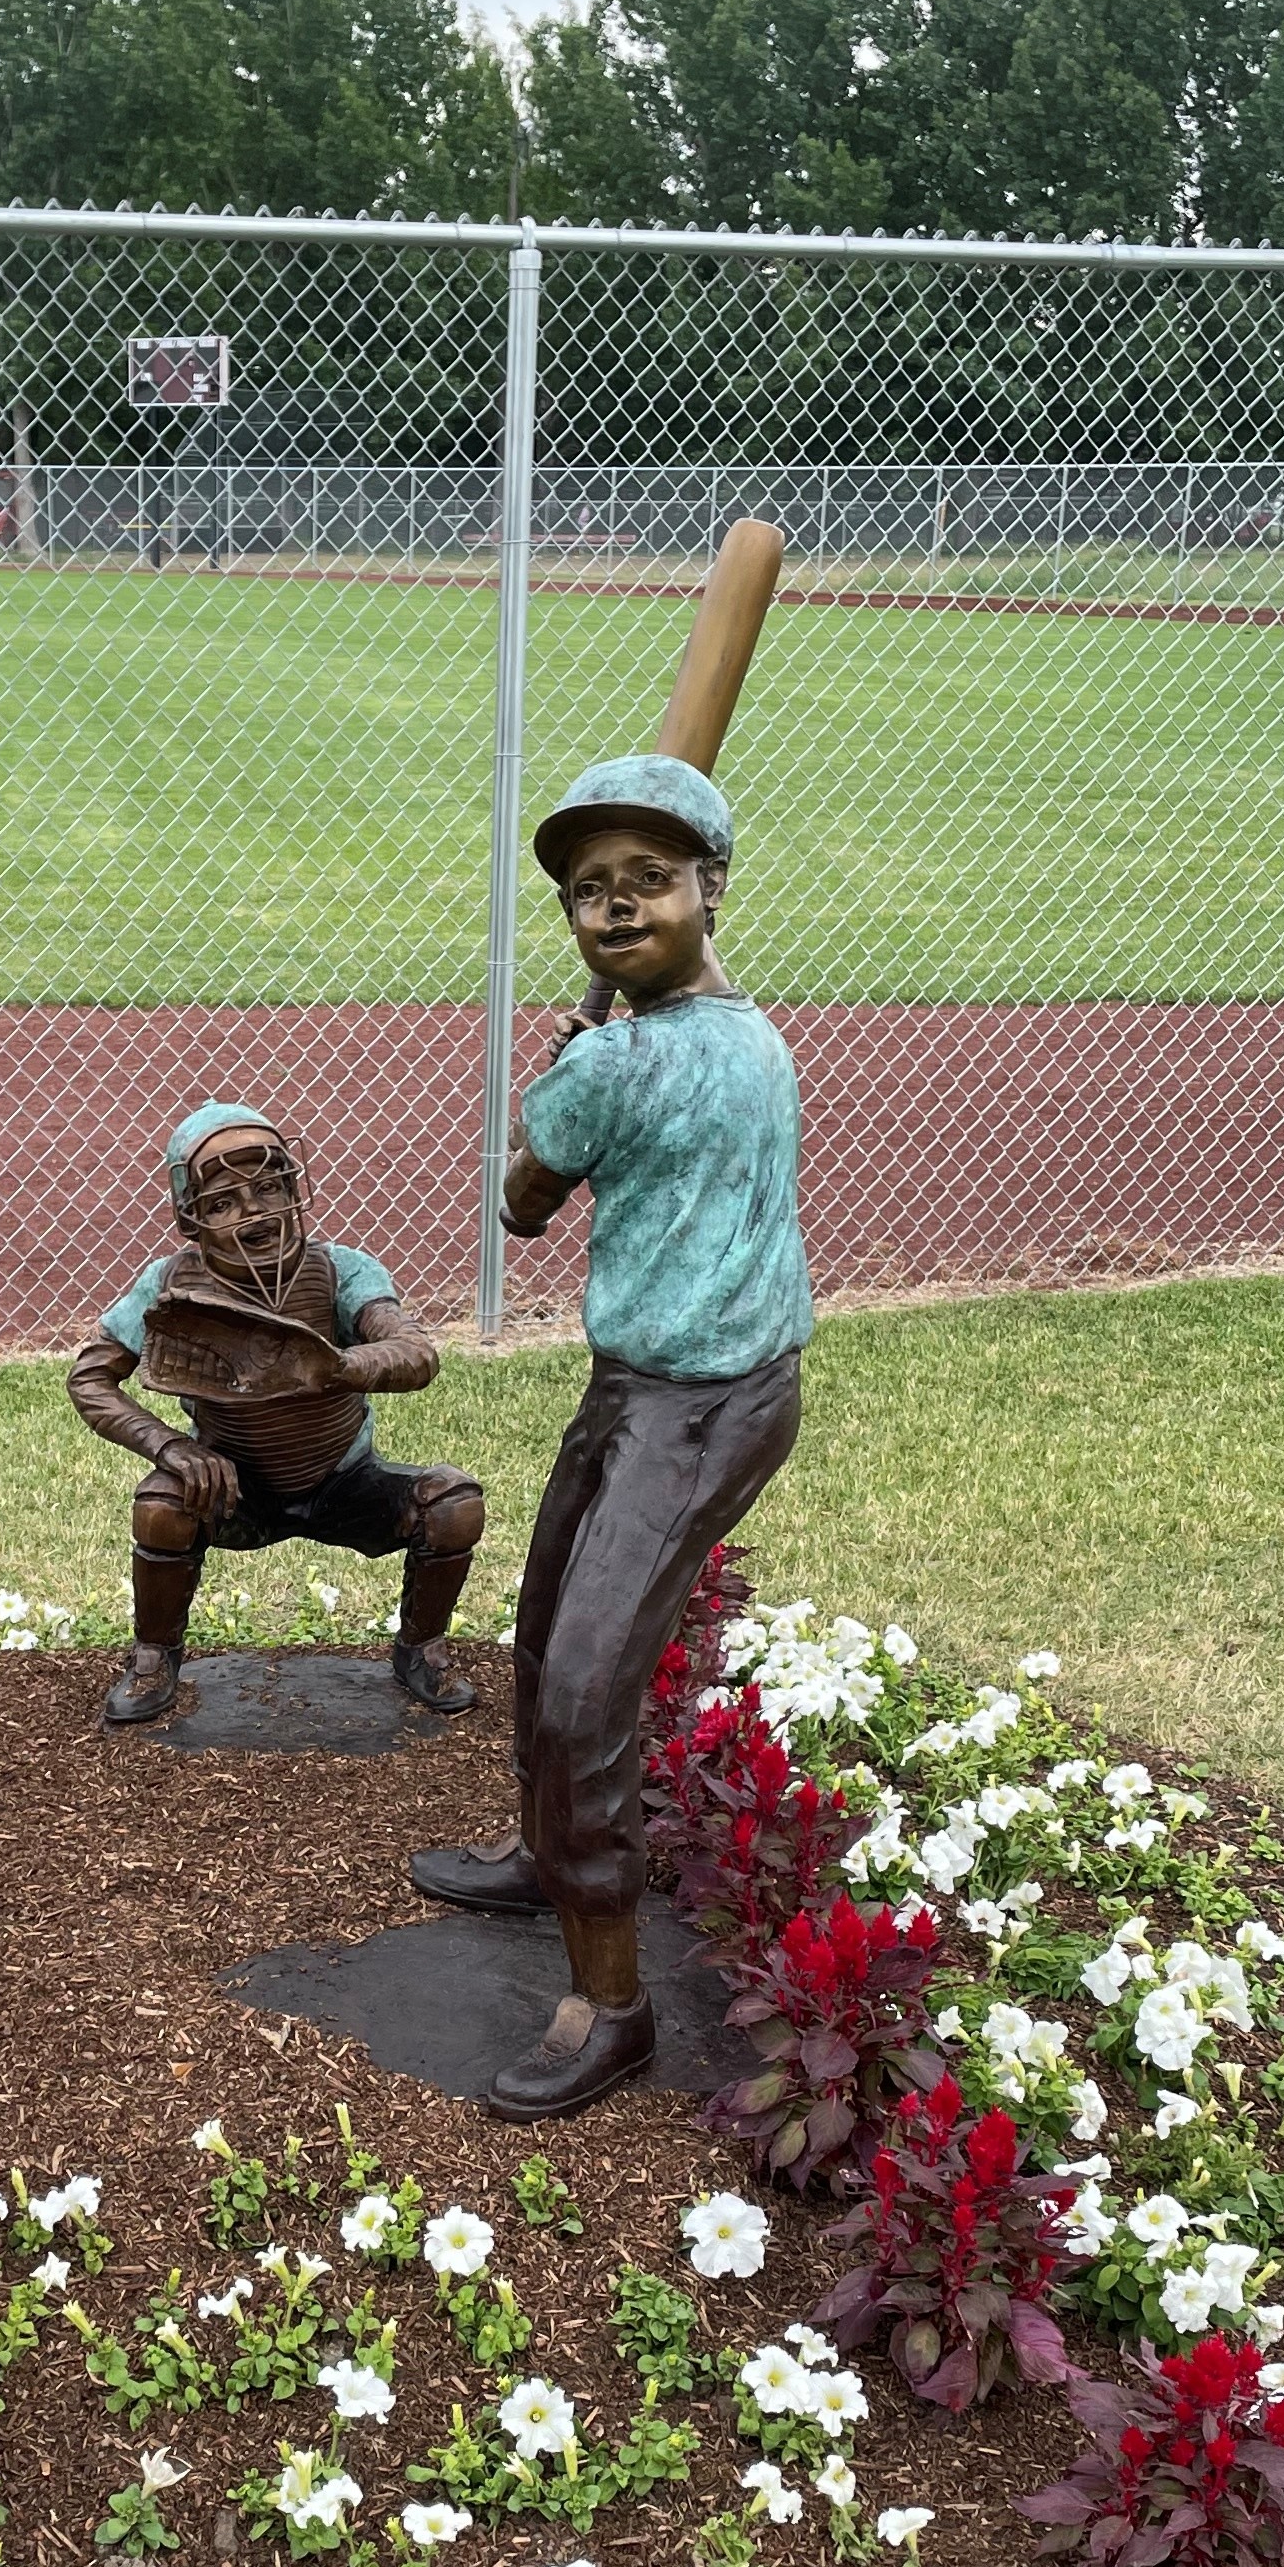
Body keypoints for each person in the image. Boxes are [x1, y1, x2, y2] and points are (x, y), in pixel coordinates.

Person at [410, 757, 809, 2118]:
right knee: (542, 1626)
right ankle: (544, 1853)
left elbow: (521, 1203)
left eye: (651, 881)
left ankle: (610, 2004)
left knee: (584, 1692)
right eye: (591, 892)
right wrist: (589, 1065)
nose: (617, 909)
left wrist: (565, 1081)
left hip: (702, 1405)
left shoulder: (624, 1060)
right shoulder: (742, 1033)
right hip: (652, 1383)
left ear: (712, 890)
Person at [68, 1104, 485, 1729]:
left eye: (269, 1188)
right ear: (193, 1220)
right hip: (234, 1487)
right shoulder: (168, 1285)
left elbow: (415, 1353)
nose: (254, 1212)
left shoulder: (340, 1269)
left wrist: (336, 1367)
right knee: (162, 1504)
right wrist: (172, 1449)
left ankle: (421, 1650)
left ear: (295, 1189)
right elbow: (90, 1377)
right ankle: (154, 1658)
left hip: (344, 1480)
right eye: (223, 1202)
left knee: (451, 1505)